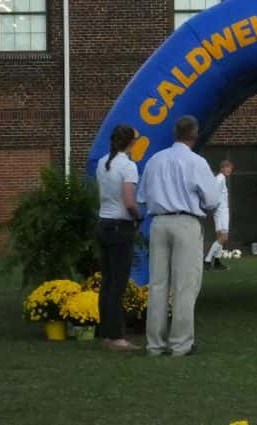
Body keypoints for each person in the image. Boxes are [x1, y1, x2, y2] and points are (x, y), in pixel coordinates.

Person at [137, 116, 220, 357]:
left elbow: (142, 196)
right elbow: (212, 200)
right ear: (194, 135)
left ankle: (155, 344)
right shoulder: (196, 162)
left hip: (159, 222)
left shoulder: (155, 160)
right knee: (185, 285)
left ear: (175, 133)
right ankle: (180, 343)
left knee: (158, 284)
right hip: (185, 221)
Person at [95, 124, 143, 351]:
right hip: (121, 226)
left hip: (103, 223)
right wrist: (139, 216)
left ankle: (106, 333)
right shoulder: (128, 166)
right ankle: (117, 337)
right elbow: (129, 201)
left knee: (107, 282)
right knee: (118, 284)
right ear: (130, 142)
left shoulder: (103, 163)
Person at [204, 160, 234, 270]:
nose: (229, 169)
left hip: (222, 211)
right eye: (227, 167)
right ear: (222, 168)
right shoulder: (220, 178)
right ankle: (207, 260)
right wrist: (214, 208)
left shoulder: (222, 178)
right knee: (223, 237)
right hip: (221, 211)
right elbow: (214, 194)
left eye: (230, 168)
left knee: (220, 237)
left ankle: (216, 261)